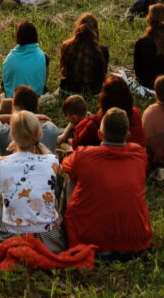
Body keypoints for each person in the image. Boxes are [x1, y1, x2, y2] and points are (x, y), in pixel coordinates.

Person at [61, 109, 151, 255]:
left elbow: (65, 167)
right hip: (136, 243)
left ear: (99, 134)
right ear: (128, 136)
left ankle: (65, 228)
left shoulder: (84, 155)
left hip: (87, 241)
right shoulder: (139, 154)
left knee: (70, 175)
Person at [0, 110, 63, 245]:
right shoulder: (52, 161)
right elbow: (48, 155)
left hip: (12, 236)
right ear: (38, 134)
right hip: (49, 238)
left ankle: (0, 236)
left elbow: (4, 162)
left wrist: (15, 149)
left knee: (1, 194)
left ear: (12, 136)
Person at [57, 14, 110, 99]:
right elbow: (102, 76)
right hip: (92, 94)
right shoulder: (102, 50)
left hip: (67, 92)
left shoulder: (66, 45)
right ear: (96, 30)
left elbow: (63, 70)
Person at [1, 21, 49, 96]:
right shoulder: (43, 56)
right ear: (35, 36)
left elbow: (6, 78)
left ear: (18, 36)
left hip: (13, 96)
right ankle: (43, 88)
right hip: (35, 96)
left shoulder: (10, 58)